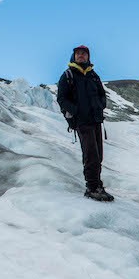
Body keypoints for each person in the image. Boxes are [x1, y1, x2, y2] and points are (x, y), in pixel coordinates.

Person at [56, 45, 114, 202]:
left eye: (84, 53)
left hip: (95, 120)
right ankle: (92, 187)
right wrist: (77, 111)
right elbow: (62, 98)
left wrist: (100, 106)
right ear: (74, 57)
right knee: (91, 155)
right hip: (82, 122)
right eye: (78, 53)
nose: (81, 56)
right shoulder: (68, 75)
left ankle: (98, 185)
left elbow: (102, 94)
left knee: (98, 155)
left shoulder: (93, 75)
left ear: (88, 57)